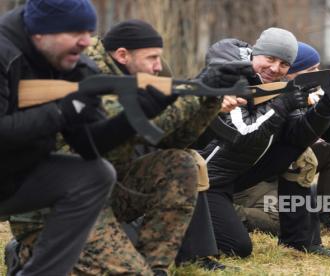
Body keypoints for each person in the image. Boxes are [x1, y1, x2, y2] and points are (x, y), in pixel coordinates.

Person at [5, 19, 247, 275]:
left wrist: (208, 98)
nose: (157, 67)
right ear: (122, 55)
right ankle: (28, 253)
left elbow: (172, 141)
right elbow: (139, 125)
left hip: (105, 192)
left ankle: (156, 267)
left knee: (180, 163)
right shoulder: (88, 73)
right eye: (152, 58)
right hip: (59, 208)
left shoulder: (130, 76)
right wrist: (195, 87)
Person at [197, 27, 330, 257]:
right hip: (208, 181)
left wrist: (327, 105)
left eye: (284, 64)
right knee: (238, 248)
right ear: (255, 53)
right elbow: (242, 133)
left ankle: (301, 241)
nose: (275, 69)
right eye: (270, 59)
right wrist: (283, 104)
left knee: (298, 154)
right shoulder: (232, 77)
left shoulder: (278, 86)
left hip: (238, 177)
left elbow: (298, 135)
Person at [0, 0, 117, 275]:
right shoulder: (4, 54)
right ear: (40, 33)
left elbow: (91, 146)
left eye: (89, 31)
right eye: (76, 32)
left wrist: (148, 107)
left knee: (96, 175)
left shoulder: (66, 62)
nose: (87, 42)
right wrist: (64, 110)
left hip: (13, 175)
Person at [233, 42, 330, 237]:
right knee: (286, 223)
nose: (319, 74)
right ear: (290, 73)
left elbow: (328, 136)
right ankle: (223, 210)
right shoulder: (270, 94)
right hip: (253, 179)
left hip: (279, 168)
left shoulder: (300, 94)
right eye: (312, 70)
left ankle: (325, 216)